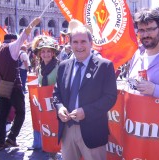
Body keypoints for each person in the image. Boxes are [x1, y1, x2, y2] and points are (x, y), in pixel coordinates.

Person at [53, 21, 117, 160]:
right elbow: (56, 93)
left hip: (92, 130)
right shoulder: (63, 66)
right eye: (75, 42)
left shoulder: (104, 66)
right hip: (67, 129)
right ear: (70, 43)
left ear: (91, 43)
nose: (79, 46)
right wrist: (59, 107)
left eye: (83, 41)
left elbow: (110, 97)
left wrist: (86, 111)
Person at [0, 17, 41, 151]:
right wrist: (33, 24)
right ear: (13, 40)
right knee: (21, 112)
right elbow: (23, 35)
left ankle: (0, 142)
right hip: (14, 87)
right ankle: (11, 137)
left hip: (1, 87)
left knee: (2, 116)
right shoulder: (12, 47)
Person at [28, 35, 59, 150]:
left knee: (57, 127)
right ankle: (50, 148)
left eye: (49, 51)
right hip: (45, 105)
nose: (46, 54)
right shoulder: (40, 67)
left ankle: (58, 149)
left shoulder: (59, 66)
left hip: (56, 103)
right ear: (40, 54)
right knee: (48, 126)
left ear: (53, 53)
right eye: (43, 52)